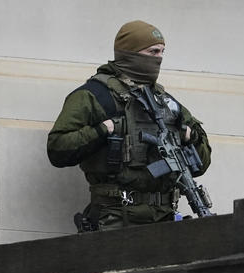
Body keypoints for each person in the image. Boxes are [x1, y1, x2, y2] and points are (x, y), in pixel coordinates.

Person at [46, 19, 212, 231]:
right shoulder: (95, 95)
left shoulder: (167, 103)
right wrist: (103, 130)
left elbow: (202, 164)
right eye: (153, 52)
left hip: (165, 218)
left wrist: (192, 138)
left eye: (162, 52)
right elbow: (57, 149)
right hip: (115, 217)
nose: (159, 59)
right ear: (131, 53)